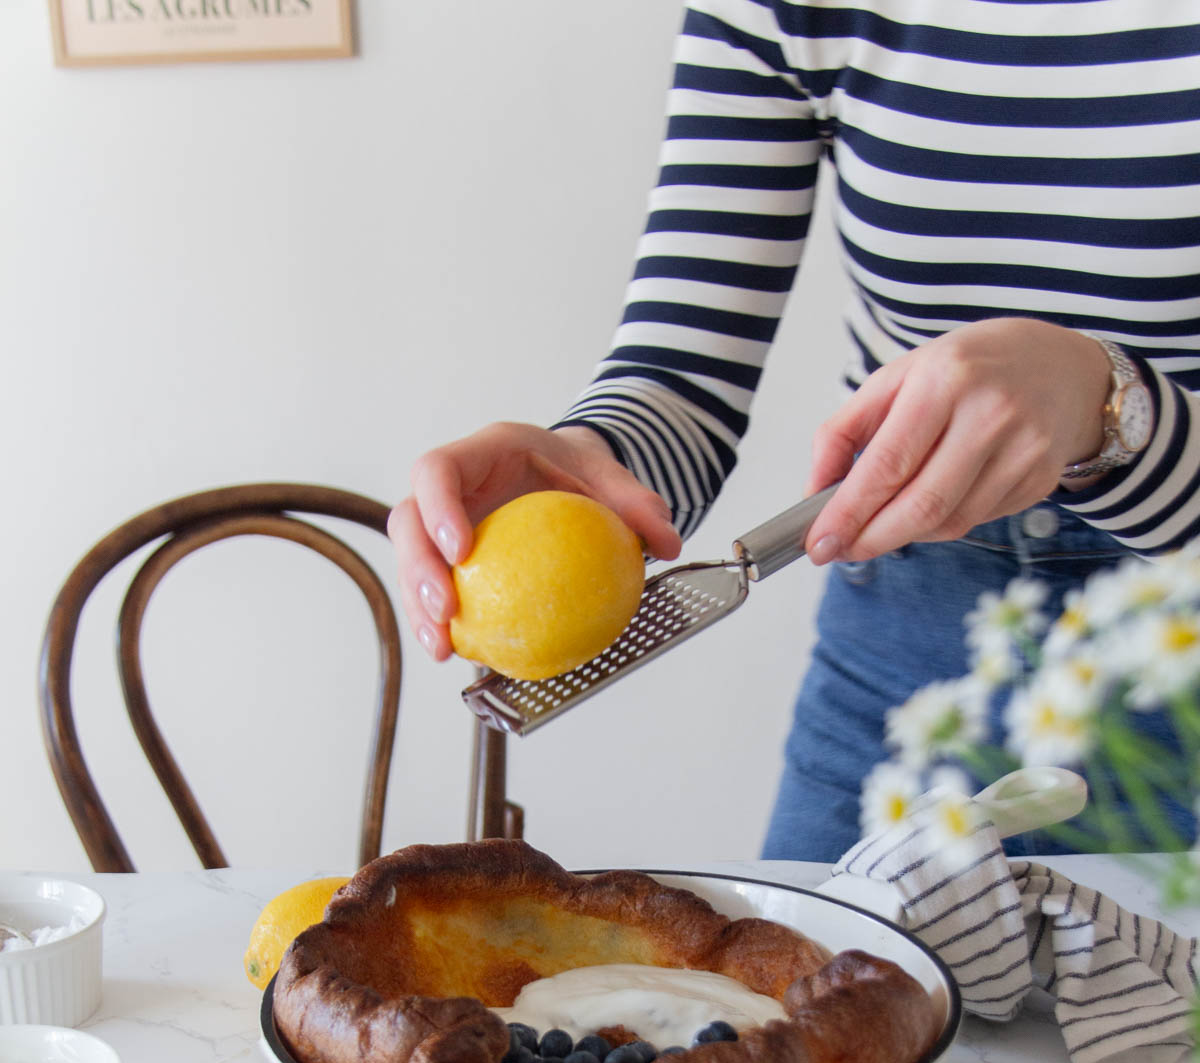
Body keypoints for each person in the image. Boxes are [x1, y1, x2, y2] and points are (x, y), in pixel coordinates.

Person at [388, 0, 1200, 860]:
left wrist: (1116, 413)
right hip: (904, 655)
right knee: (789, 995)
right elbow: (684, 374)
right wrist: (594, 464)